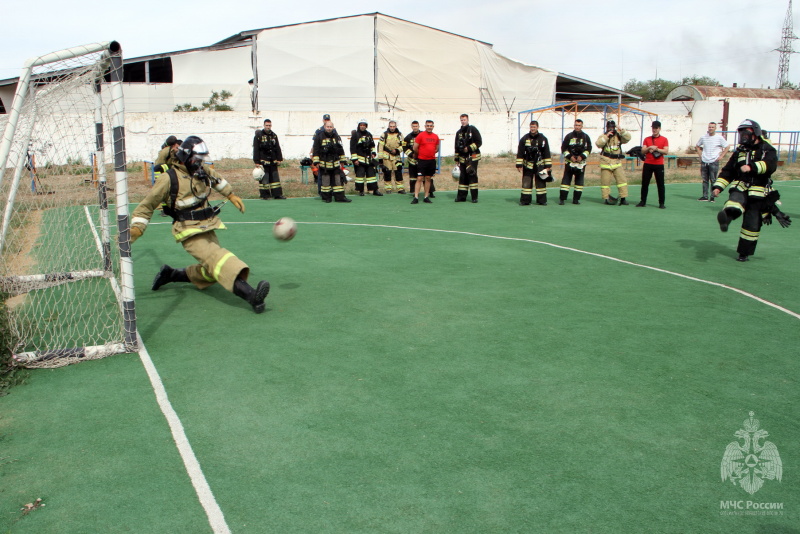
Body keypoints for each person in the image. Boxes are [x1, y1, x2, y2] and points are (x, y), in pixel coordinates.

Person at [129, 136, 270, 313]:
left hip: (208, 225)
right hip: (188, 231)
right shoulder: (169, 178)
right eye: (197, 158)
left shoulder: (200, 170)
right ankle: (252, 296)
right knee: (218, 259)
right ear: (186, 156)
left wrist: (230, 195)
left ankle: (171, 274)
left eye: (201, 159)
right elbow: (147, 205)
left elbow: (218, 180)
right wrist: (137, 228)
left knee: (211, 272)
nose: (200, 163)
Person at [713, 119, 791, 262]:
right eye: (741, 132)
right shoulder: (740, 151)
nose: (743, 136)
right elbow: (729, 170)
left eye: (746, 132)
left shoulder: (767, 149)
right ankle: (726, 219)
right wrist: (718, 187)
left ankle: (744, 253)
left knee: (752, 224)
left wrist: (752, 167)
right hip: (741, 185)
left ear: (755, 133)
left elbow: (771, 165)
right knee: (735, 203)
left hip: (759, 190)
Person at [515, 120, 553, 206]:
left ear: (537, 127)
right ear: (530, 127)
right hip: (528, 165)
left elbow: (546, 152)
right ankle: (525, 201)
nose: (532, 129)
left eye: (534, 127)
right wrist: (519, 165)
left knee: (541, 183)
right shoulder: (524, 138)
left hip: (540, 165)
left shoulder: (543, 139)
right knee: (526, 183)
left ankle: (542, 201)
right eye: (531, 127)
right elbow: (520, 152)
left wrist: (548, 166)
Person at [313, 121, 351, 203]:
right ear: (324, 127)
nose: (329, 128)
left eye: (330, 127)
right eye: (327, 126)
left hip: (335, 163)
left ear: (333, 127)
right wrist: (316, 162)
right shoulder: (319, 136)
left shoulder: (336, 137)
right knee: (325, 182)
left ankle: (340, 197)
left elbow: (340, 150)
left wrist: (342, 161)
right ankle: (327, 197)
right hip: (324, 164)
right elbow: (316, 150)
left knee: (338, 181)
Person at [595, 120, 631, 205]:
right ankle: (606, 198)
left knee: (621, 181)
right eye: (609, 128)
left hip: (616, 162)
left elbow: (628, 138)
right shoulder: (603, 136)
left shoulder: (618, 136)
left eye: (612, 127)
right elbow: (598, 144)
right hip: (606, 162)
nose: (611, 129)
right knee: (605, 182)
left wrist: (621, 130)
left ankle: (623, 198)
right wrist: (607, 136)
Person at [636, 120, 670, 208]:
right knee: (645, 183)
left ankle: (661, 203)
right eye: (653, 128)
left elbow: (666, 151)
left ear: (659, 129)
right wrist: (649, 148)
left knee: (660, 184)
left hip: (659, 164)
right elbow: (643, 151)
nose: (654, 130)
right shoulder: (647, 139)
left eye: (656, 128)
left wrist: (656, 149)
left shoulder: (664, 139)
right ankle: (643, 201)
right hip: (648, 163)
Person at [559, 119, 591, 205]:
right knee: (566, 181)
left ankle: (576, 199)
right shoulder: (569, 136)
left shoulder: (585, 137)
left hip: (581, 164)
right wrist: (570, 156)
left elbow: (588, 149)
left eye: (579, 125)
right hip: (570, 163)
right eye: (576, 125)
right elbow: (563, 149)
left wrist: (582, 156)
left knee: (579, 183)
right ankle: (562, 199)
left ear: (582, 126)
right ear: (574, 125)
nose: (577, 127)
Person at [252, 119, 286, 200]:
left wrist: (279, 159)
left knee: (275, 178)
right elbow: (256, 149)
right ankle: (265, 195)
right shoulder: (258, 136)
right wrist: (256, 161)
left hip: (273, 160)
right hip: (263, 160)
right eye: (266, 125)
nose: (268, 127)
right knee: (265, 178)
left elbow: (277, 147)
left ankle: (277, 194)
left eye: (269, 125)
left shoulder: (274, 135)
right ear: (264, 125)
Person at [696, 121, 729, 202]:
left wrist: (721, 156)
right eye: (709, 127)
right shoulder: (703, 137)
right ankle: (705, 196)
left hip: (713, 161)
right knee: (705, 179)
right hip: (704, 161)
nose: (711, 128)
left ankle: (712, 196)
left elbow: (727, 146)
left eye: (712, 127)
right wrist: (701, 155)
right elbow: (697, 146)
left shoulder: (719, 138)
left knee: (713, 180)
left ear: (715, 128)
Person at [349, 119, 383, 196]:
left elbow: (372, 145)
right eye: (361, 125)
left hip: (369, 159)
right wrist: (355, 159)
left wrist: (373, 153)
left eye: (364, 125)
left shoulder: (369, 134)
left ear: (366, 126)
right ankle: (361, 191)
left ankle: (374, 190)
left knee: (372, 176)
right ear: (359, 126)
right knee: (360, 176)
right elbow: (352, 148)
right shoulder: (355, 135)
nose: (362, 127)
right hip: (359, 159)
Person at [454, 114, 482, 203]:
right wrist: (457, 159)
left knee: (471, 175)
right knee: (463, 177)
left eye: (464, 120)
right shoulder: (459, 133)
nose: (463, 121)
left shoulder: (472, 129)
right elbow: (456, 146)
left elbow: (479, 142)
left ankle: (474, 197)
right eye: (461, 120)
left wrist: (468, 148)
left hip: (473, 156)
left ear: (468, 120)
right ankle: (461, 197)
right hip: (462, 158)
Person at [411, 120, 440, 204]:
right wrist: (419, 154)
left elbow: (437, 148)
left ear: (433, 126)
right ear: (425, 126)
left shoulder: (435, 136)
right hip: (422, 160)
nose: (429, 127)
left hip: (431, 161)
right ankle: (416, 197)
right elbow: (415, 148)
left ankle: (426, 196)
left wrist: (430, 153)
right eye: (428, 125)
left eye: (431, 126)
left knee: (428, 178)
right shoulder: (421, 135)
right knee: (419, 178)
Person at [404, 121, 436, 198]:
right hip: (413, 160)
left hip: (423, 159)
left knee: (427, 177)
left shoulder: (423, 135)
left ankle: (430, 192)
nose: (415, 128)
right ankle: (414, 192)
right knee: (414, 177)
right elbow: (404, 147)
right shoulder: (408, 137)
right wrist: (411, 154)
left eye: (416, 126)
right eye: (413, 126)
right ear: (411, 127)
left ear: (419, 126)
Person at [378, 120, 406, 193]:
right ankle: (388, 189)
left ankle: (400, 189)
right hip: (386, 157)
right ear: (388, 126)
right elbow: (380, 146)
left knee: (398, 172)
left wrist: (397, 150)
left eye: (394, 126)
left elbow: (404, 146)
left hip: (396, 157)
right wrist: (380, 159)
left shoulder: (400, 135)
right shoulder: (384, 134)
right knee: (387, 173)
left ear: (396, 127)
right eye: (391, 126)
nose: (392, 128)